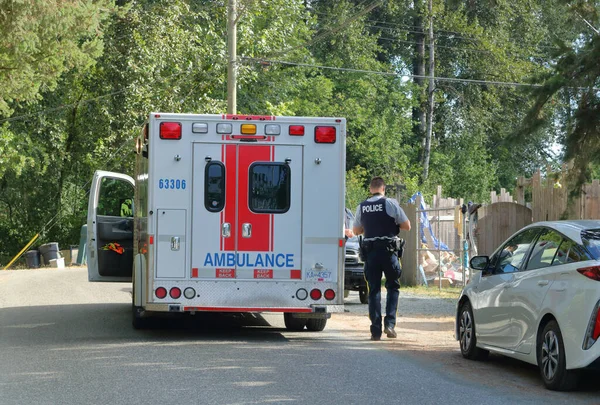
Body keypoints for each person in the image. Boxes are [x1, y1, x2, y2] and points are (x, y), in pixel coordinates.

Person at [353, 177, 411, 341]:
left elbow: (356, 230)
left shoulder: (362, 207)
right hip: (389, 250)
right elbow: (407, 226)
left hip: (370, 252)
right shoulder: (390, 203)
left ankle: (375, 331)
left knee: (374, 290)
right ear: (383, 189)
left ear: (371, 189)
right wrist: (392, 225)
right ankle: (390, 325)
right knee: (392, 287)